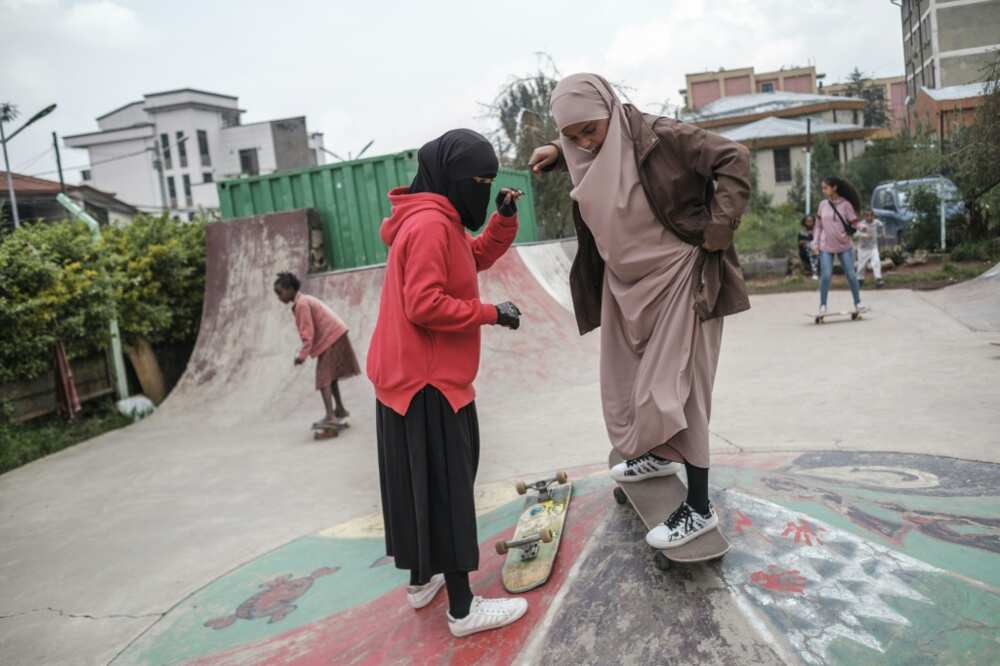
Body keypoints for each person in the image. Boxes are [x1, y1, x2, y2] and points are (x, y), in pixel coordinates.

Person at [529, 74, 751, 550]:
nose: (586, 143)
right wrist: (557, 147)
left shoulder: (662, 136)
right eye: (574, 137)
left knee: (679, 391)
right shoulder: (587, 153)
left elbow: (735, 157)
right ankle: (655, 453)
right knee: (629, 383)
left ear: (610, 106)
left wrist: (720, 228)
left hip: (681, 279)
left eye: (590, 130)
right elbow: (584, 144)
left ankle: (699, 508)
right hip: (628, 286)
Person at [367, 129, 528, 638]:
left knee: (423, 486)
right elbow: (425, 304)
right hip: (429, 383)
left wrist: (501, 220)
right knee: (451, 491)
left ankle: (421, 580)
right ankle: (463, 608)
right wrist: (492, 313)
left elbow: (473, 258)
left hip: (409, 380)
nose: (481, 190)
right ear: (452, 178)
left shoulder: (439, 218)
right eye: (477, 182)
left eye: (488, 182)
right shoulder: (432, 227)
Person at [273, 271, 359, 428]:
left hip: (331, 338)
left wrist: (302, 355)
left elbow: (308, 333)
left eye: (280, 293)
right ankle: (339, 409)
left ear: (290, 289)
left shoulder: (301, 304)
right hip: (336, 334)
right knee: (330, 376)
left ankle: (330, 416)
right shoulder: (304, 300)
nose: (279, 298)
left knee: (323, 378)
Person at [811, 176, 865, 314]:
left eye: (825, 188)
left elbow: (854, 222)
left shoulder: (845, 205)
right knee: (826, 275)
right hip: (826, 246)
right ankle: (822, 305)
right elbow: (818, 226)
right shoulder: (822, 205)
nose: (823, 191)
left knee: (851, 275)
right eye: (822, 188)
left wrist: (861, 227)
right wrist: (815, 241)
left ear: (834, 188)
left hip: (844, 245)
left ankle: (858, 303)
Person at [855, 209, 885, 288]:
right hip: (863, 248)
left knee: (876, 262)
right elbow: (856, 234)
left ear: (873, 216)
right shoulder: (861, 224)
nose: (869, 217)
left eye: (871, 215)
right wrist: (864, 235)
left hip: (873, 247)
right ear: (864, 216)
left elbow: (881, 225)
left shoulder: (876, 222)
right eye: (867, 216)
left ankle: (878, 279)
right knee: (861, 265)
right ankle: (859, 279)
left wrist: (882, 233)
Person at [798, 215, 819, 280]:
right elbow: (800, 243)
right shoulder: (802, 232)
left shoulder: (817, 231)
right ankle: (814, 272)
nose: (809, 223)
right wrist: (809, 243)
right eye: (808, 221)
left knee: (815, 251)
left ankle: (816, 272)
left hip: (817, 250)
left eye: (811, 221)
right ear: (804, 222)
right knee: (812, 251)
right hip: (805, 251)